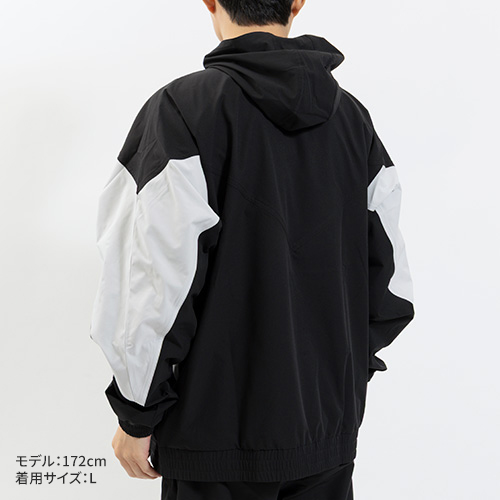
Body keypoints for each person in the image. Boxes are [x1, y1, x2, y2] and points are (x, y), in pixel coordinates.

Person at [89, 0, 416, 498]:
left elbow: (152, 280)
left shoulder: (182, 110)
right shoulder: (354, 120)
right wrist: (334, 378)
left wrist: (137, 414)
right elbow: (390, 288)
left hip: (213, 440)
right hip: (325, 439)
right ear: (297, 3)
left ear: (210, 2)